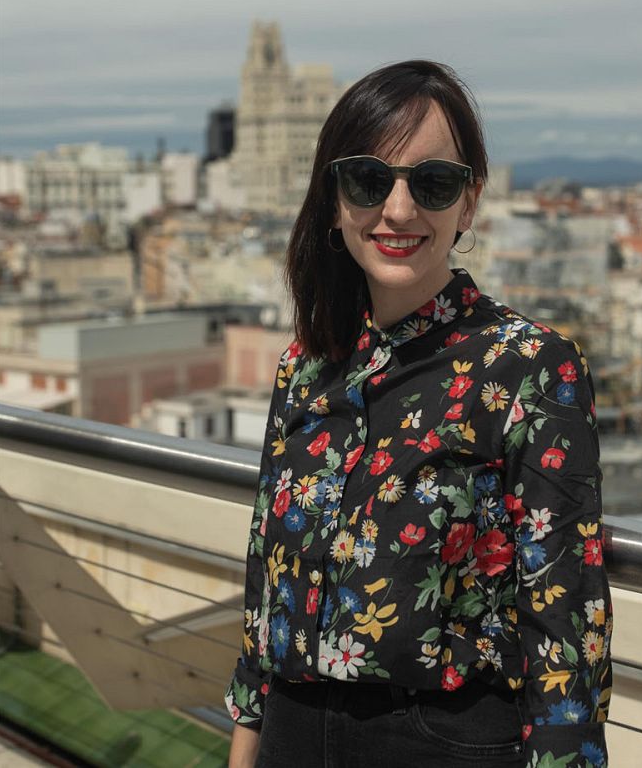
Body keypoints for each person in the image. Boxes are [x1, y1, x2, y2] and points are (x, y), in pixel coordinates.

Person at [225, 61, 611, 768]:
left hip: (440, 742)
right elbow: (265, 584)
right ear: (335, 198)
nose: (398, 211)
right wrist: (246, 746)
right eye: (370, 181)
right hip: (291, 733)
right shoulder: (307, 365)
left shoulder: (528, 366)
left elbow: (565, 624)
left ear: (468, 203)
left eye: (431, 183)